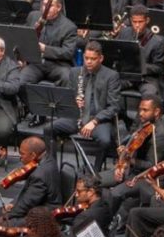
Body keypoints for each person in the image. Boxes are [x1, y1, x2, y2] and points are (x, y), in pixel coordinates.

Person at [45, 41, 122, 171]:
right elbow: (67, 97)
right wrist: (74, 101)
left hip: (98, 119)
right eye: (86, 58)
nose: (89, 62)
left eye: (93, 59)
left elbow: (114, 106)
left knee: (105, 140)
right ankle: (50, 166)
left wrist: (95, 121)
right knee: (49, 128)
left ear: (101, 58)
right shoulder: (75, 72)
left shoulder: (111, 76)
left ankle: (95, 172)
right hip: (78, 117)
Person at [106, 95, 164, 229]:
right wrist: (122, 161)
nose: (140, 113)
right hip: (130, 170)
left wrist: (130, 161)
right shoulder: (145, 124)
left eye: (145, 110)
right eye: (140, 109)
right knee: (96, 180)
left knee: (115, 193)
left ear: (157, 112)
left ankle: (106, 222)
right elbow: (132, 146)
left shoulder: (162, 135)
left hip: (147, 178)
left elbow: (152, 166)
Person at [0, 137, 63, 224]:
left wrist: (7, 216)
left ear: (33, 155)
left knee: (3, 221)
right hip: (41, 205)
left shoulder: (39, 175)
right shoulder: (49, 159)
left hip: (45, 216)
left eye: (22, 154)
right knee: (2, 211)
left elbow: (28, 204)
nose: (20, 158)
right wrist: (14, 205)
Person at [20, 0, 77, 89]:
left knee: (67, 77)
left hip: (58, 65)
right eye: (44, 4)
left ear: (59, 8)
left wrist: (45, 49)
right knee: (21, 80)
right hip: (36, 63)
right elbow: (23, 37)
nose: (45, 8)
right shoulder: (33, 16)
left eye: (50, 6)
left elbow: (68, 52)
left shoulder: (69, 27)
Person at [116, 5, 164, 97]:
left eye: (140, 22)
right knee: (108, 86)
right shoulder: (124, 33)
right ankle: (118, 111)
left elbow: (159, 68)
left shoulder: (158, 41)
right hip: (127, 76)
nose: (137, 25)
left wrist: (140, 66)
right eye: (134, 22)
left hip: (147, 79)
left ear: (147, 20)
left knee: (150, 94)